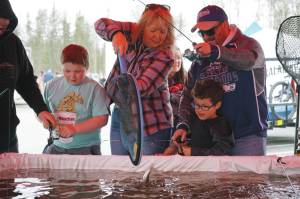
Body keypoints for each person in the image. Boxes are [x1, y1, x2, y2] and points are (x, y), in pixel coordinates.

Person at [172, 5, 268, 155]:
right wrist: (183, 124)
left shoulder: (249, 44)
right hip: (211, 140)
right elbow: (187, 95)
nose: (205, 37)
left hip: (247, 137)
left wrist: (216, 52)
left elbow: (249, 60)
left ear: (224, 25)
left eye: (210, 32)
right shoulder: (200, 58)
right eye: (201, 33)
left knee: (249, 179)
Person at [94, 3, 175, 155]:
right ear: (142, 27)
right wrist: (116, 35)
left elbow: (141, 88)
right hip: (121, 115)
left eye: (163, 32)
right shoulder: (132, 31)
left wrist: (121, 83)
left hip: (151, 125)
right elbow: (100, 24)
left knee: (146, 175)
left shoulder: (165, 55)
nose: (158, 36)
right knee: (120, 172)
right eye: (153, 30)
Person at [0, 0, 56, 153]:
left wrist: (41, 109)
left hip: (6, 137)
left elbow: (25, 81)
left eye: (3, 28)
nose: (1, 32)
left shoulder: (12, 43)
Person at [43, 44, 109, 155]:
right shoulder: (50, 86)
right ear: (61, 67)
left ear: (87, 68)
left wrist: (75, 129)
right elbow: (42, 111)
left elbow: (102, 118)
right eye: (67, 71)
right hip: (56, 145)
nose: (72, 76)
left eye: (78, 71)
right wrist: (44, 120)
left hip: (87, 147)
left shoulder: (96, 89)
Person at [164, 79, 234, 155]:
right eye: (197, 105)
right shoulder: (194, 118)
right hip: (193, 165)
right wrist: (184, 145)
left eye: (204, 107)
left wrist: (193, 152)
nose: (199, 110)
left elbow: (223, 150)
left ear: (217, 105)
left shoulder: (221, 124)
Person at [168, 46, 187, 129]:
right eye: (173, 58)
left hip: (183, 122)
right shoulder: (160, 81)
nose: (177, 61)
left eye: (179, 58)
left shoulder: (186, 78)